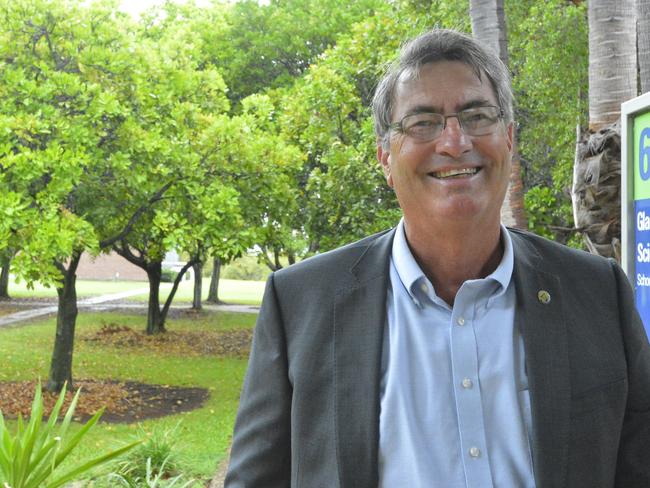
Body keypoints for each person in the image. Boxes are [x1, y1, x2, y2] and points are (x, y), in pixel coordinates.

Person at [224, 29, 650, 488]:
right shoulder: (301, 304)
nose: (453, 141)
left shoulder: (597, 292)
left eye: (476, 115)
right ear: (386, 157)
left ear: (508, 138)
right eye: (422, 122)